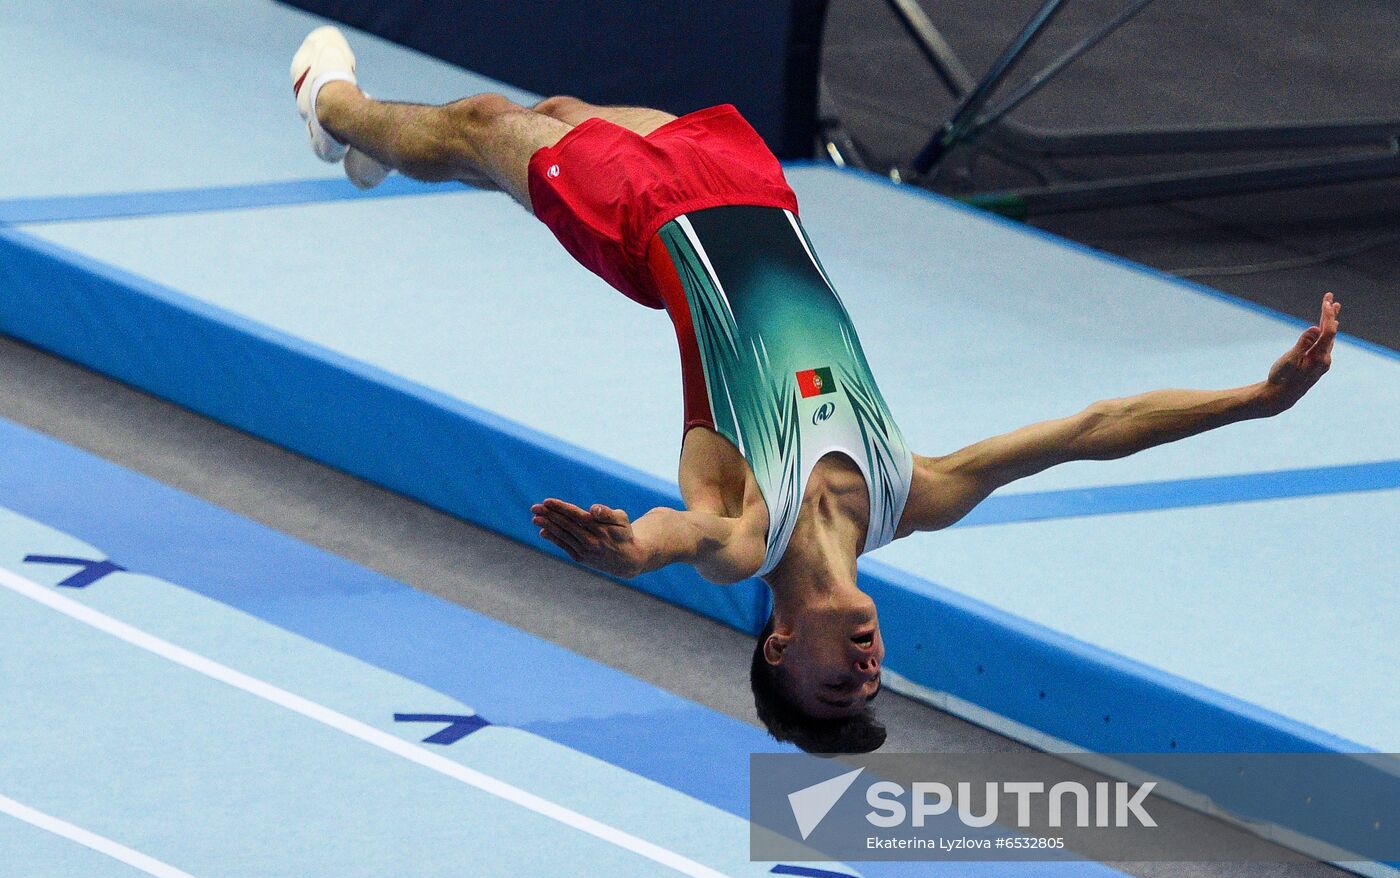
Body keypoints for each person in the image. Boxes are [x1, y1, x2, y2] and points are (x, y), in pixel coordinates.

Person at [290, 27, 1342, 754]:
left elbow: (680, 535)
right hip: (752, 191)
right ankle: (382, 152)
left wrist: (629, 550)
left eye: (839, 678)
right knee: (555, 110)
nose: (868, 664)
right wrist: (1251, 399)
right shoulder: (911, 495)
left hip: (644, 228)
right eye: (871, 679)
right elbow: (1088, 429)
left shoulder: (748, 537)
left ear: (780, 641)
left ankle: (330, 109)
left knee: (482, 122)